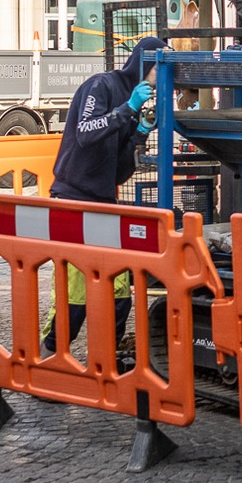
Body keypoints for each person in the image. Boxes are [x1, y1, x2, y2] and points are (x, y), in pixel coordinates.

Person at [42, 35, 164, 358]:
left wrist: (138, 134)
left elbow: (118, 171)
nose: (159, 81)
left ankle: (106, 359)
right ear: (144, 65)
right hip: (73, 199)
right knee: (76, 293)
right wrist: (127, 111)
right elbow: (86, 133)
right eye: (157, 72)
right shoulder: (102, 87)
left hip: (103, 200)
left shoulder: (132, 102)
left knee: (119, 289)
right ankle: (51, 355)